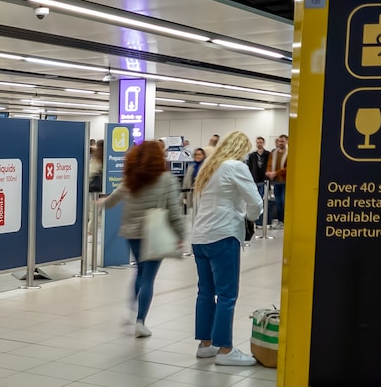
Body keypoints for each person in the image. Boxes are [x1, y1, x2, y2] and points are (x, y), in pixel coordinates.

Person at [190, 131, 264, 366]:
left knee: (205, 292)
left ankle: (205, 344)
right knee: (227, 294)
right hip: (224, 235)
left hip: (200, 236)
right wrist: (249, 219)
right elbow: (256, 202)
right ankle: (225, 350)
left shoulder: (207, 168)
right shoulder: (235, 166)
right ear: (241, 149)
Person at [101, 140, 185, 338]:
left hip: (132, 233)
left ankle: (132, 311)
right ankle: (140, 322)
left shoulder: (131, 178)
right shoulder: (166, 179)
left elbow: (112, 200)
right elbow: (174, 211)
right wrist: (181, 234)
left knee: (139, 272)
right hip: (154, 233)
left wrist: (100, 203)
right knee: (148, 277)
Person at [266, 134, 289, 227]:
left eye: (282, 141)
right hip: (275, 182)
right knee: (278, 201)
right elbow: (269, 164)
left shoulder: (290, 152)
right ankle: (280, 221)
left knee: (283, 201)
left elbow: (288, 168)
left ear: (286, 142)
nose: (280, 143)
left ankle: (284, 220)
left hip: (285, 181)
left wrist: (276, 173)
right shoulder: (273, 153)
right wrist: (269, 172)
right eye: (279, 141)